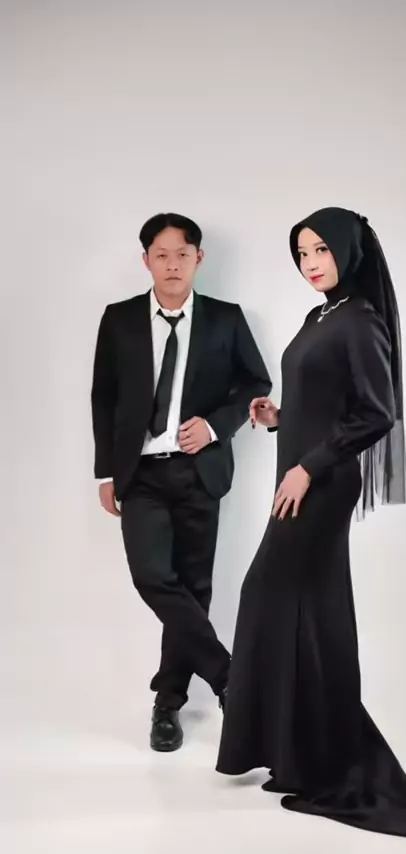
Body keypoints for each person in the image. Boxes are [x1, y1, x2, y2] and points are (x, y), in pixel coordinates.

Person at [216, 207, 406, 843]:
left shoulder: (359, 318)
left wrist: (308, 467)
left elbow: (376, 412)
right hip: (304, 481)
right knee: (301, 614)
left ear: (349, 251)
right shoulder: (321, 316)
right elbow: (325, 403)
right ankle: (304, 754)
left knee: (278, 600)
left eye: (321, 250)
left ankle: (332, 758)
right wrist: (279, 418)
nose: (310, 263)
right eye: (302, 253)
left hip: (322, 488)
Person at [91, 212, 271, 753]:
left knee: (194, 590)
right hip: (141, 473)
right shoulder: (119, 319)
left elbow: (256, 382)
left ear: (199, 258)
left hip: (199, 472)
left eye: (182, 254)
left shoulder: (225, 319)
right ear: (146, 260)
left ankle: (167, 702)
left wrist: (215, 426)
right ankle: (229, 677)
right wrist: (106, 471)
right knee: (152, 577)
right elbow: (104, 396)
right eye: (162, 255)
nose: (172, 265)